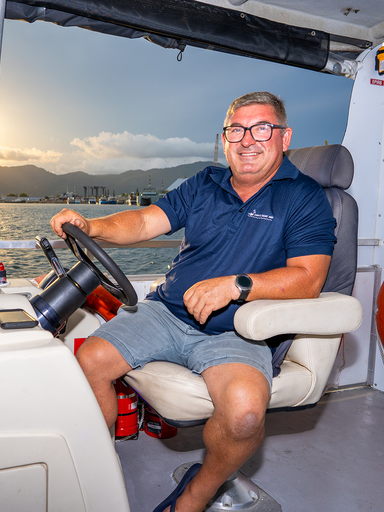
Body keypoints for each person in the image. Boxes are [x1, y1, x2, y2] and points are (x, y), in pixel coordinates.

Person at [50, 92, 336, 512]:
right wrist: (91, 225)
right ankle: (101, 466)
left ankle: (196, 496)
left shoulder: (305, 197)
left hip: (238, 331)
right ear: (224, 139)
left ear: (284, 136)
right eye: (236, 130)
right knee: (90, 360)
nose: (247, 140)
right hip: (166, 312)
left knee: (244, 416)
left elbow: (308, 279)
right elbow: (146, 220)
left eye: (262, 128)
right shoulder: (205, 182)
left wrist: (236, 285)